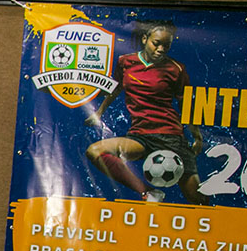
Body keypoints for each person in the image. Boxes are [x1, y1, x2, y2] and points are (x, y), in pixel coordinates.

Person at [84, 22, 208, 205]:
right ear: (145, 39)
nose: (161, 49)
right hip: (140, 137)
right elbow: (115, 89)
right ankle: (148, 192)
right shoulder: (126, 62)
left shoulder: (176, 69)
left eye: (166, 46)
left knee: (198, 199)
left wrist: (197, 136)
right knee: (95, 151)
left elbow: (186, 104)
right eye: (156, 43)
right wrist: (98, 113)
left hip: (171, 137)